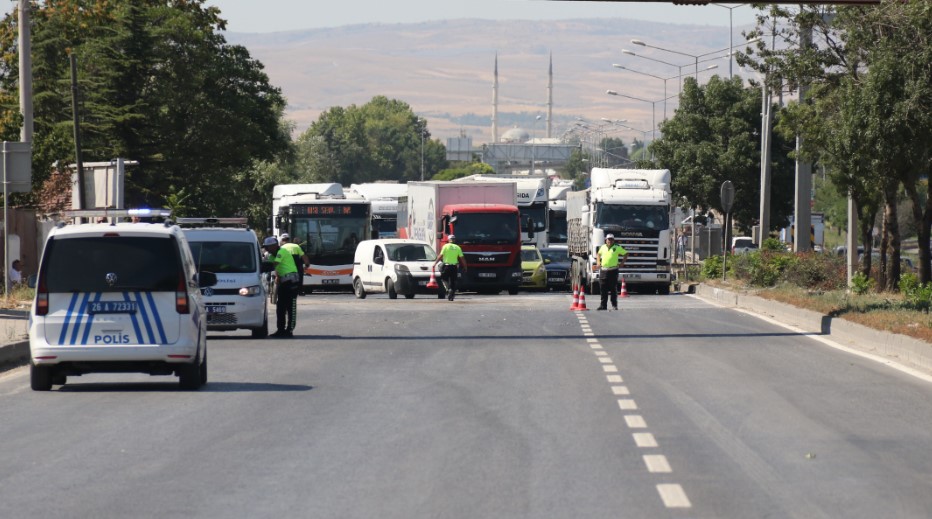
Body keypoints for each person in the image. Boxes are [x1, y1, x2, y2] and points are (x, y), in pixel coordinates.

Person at [262, 236, 299, 337]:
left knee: (290, 306)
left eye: (267, 247)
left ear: (273, 246)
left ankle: (289, 330)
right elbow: (276, 268)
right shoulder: (271, 255)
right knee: (280, 306)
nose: (266, 249)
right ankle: (280, 330)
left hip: (291, 281)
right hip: (283, 281)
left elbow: (275, 264)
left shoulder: (281, 252)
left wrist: (262, 266)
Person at [596, 234, 627, 311]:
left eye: (611, 239)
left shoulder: (617, 247)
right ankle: (603, 305)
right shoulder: (603, 247)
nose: (610, 241)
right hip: (604, 270)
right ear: (606, 240)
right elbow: (598, 254)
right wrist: (598, 262)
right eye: (608, 239)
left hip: (613, 270)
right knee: (603, 288)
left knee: (613, 289)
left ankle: (614, 305)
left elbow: (626, 253)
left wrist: (622, 263)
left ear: (613, 240)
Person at [432, 234, 467, 301]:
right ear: (454, 240)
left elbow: (440, 256)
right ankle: (452, 294)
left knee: (444, 279)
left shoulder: (445, 246)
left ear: (448, 240)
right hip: (454, 267)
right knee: (453, 281)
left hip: (446, 266)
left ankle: (448, 289)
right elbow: (462, 258)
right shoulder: (457, 247)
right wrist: (465, 267)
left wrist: (435, 263)